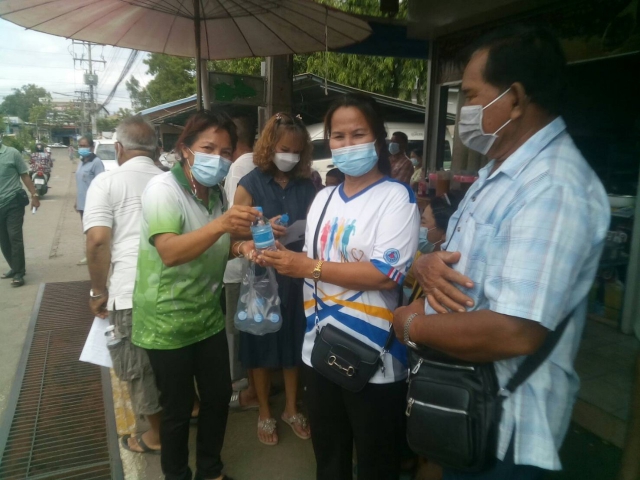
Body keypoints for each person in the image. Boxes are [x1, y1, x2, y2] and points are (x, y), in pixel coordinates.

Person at [392, 25, 610, 480]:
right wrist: (425, 263)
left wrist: (411, 324)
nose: (463, 111)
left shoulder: (552, 187)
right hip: (467, 403)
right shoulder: (501, 171)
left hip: (504, 425)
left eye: (471, 96)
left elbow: (516, 331)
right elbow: (460, 257)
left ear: (514, 98)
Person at [260, 94, 420, 480]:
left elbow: (385, 274)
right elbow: (311, 257)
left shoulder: (396, 198)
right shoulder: (323, 198)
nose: (348, 144)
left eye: (358, 134)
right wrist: (274, 251)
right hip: (319, 347)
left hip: (374, 356)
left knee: (376, 463)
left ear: (377, 139)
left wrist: (307, 267)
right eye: (338, 136)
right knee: (329, 459)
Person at [132, 110, 257, 480]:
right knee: (178, 408)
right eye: (208, 148)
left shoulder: (215, 192)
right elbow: (170, 252)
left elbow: (216, 245)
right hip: (166, 322)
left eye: (225, 151)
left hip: (206, 315)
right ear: (185, 149)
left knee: (217, 397)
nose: (218, 158)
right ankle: (177, 475)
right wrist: (222, 225)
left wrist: (242, 247)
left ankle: (210, 470)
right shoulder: (163, 190)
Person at [83, 116, 164, 455]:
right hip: (174, 288)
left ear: (118, 148)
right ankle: (188, 407)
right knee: (171, 359)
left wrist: (98, 291)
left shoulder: (106, 182)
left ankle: (156, 436)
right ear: (155, 148)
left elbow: (98, 241)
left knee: (139, 367)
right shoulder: (168, 179)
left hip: (131, 292)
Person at [233, 112, 316, 446]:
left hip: (297, 274)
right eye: (284, 149)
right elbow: (233, 236)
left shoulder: (306, 184)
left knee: (295, 342)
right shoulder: (249, 184)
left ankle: (292, 408)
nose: (290, 157)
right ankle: (265, 410)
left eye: (297, 151)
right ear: (269, 147)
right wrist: (262, 228)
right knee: (261, 343)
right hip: (261, 277)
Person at [223, 114, 259, 410]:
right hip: (252, 262)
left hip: (238, 265)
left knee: (241, 331)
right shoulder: (259, 163)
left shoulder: (238, 168)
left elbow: (235, 222)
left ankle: (249, 390)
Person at [0, 135, 40, 287]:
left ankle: (19, 273)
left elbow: (24, 175)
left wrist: (34, 195)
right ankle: (14, 267)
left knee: (14, 237)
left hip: (13, 202)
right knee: (3, 240)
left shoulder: (12, 153)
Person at [75, 135, 105, 265]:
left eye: (85, 146)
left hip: (92, 204)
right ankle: (90, 255)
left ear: (92, 147)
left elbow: (101, 183)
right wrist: (77, 201)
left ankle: (93, 256)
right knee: (87, 231)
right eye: (80, 146)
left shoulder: (96, 162)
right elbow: (80, 184)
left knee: (93, 231)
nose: (82, 148)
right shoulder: (82, 161)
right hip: (82, 203)